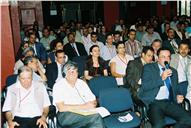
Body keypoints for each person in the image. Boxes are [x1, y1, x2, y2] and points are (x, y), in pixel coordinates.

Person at [138, 47, 191, 128]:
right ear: (157, 58)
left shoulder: (173, 71)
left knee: (188, 119)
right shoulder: (148, 68)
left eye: (168, 57)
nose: (166, 59)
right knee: (159, 125)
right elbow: (145, 86)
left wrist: (177, 96)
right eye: (163, 57)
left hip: (169, 102)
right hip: (154, 102)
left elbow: (175, 89)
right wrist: (161, 78)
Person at [53, 62, 104, 128]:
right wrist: (84, 106)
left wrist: (93, 104)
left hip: (85, 112)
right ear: (64, 74)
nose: (75, 74)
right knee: (96, 117)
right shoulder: (58, 86)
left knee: (94, 121)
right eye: (72, 72)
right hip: (66, 114)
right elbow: (61, 108)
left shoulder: (81, 83)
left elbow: (93, 100)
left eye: (76, 71)